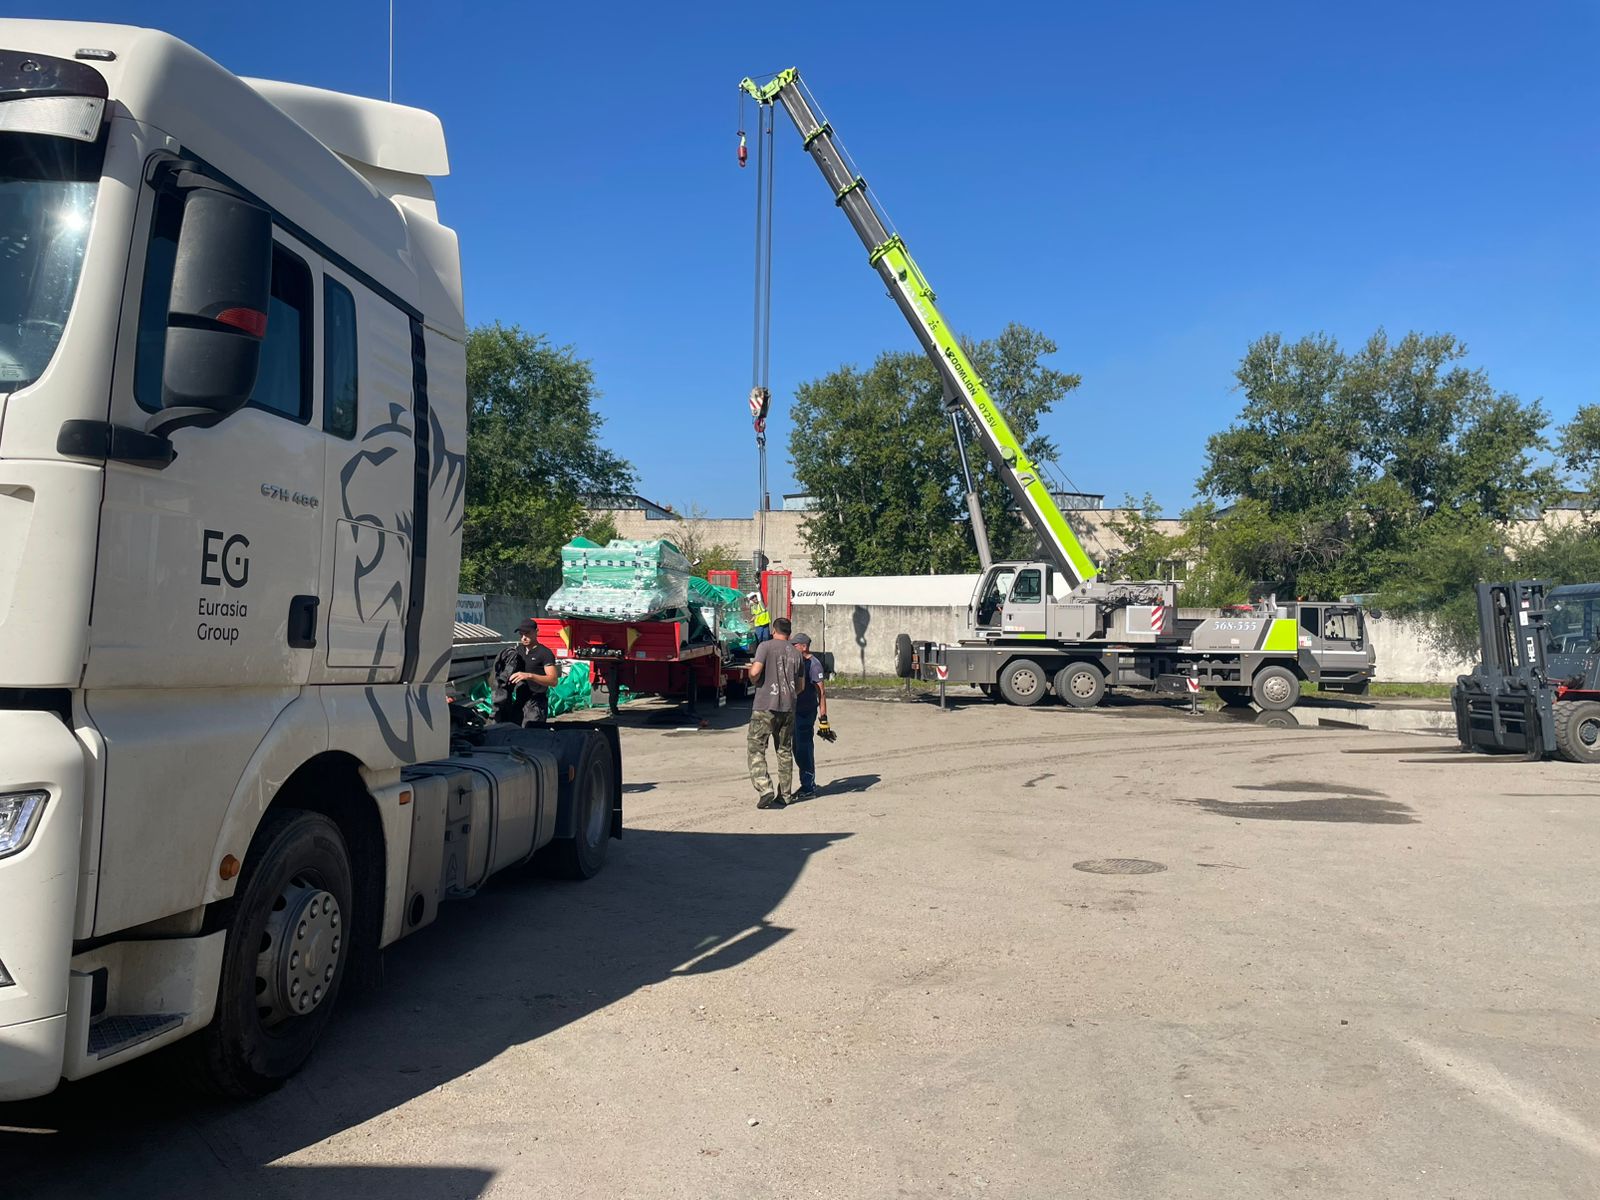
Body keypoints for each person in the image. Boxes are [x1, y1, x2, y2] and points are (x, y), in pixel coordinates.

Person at [746, 616, 805, 809]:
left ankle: (765, 788)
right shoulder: (797, 654)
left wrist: (753, 680)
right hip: (788, 708)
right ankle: (785, 794)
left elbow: (755, 672)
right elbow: (801, 686)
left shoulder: (765, 646)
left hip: (765, 706)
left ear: (773, 630)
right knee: (784, 750)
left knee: (756, 748)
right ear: (789, 633)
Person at [494, 618, 560, 727]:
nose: (524, 637)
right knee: (513, 730)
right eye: (521, 634)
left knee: (531, 733)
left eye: (527, 633)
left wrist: (529, 676)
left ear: (536, 632)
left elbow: (553, 680)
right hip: (519, 701)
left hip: (536, 702)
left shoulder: (545, 653)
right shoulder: (518, 651)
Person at [791, 633, 827, 799]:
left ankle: (808, 786)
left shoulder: (814, 665)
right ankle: (805, 783)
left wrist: (823, 719)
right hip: (795, 711)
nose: (792, 648)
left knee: (804, 748)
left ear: (804, 647)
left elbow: (821, 692)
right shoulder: (798, 662)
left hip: (806, 712)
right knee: (796, 748)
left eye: (795, 645)